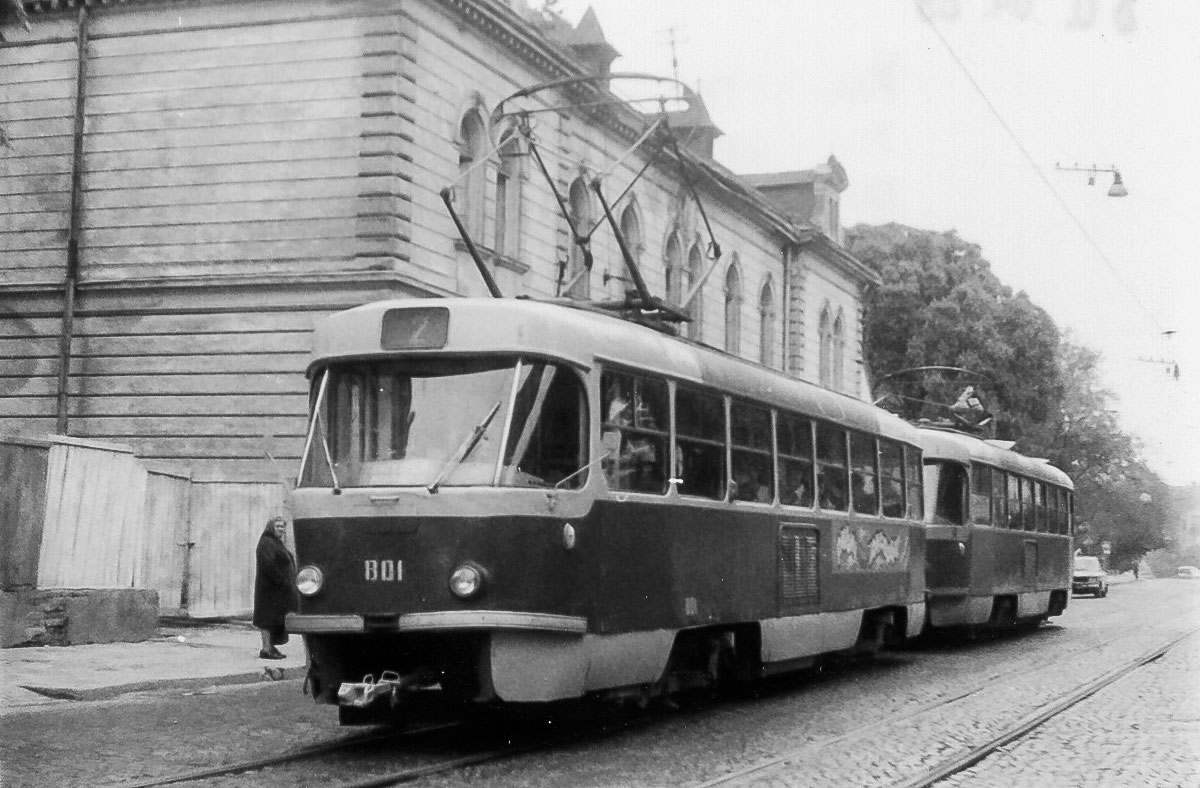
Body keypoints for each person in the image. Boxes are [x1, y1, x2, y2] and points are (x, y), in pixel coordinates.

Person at [254, 515, 298, 660]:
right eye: (278, 526)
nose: (281, 529)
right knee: (266, 619)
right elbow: (269, 564)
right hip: (269, 589)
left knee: (274, 619)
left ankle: (270, 647)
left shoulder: (276, 542)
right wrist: (282, 580)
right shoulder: (267, 542)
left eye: (283, 527)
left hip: (277, 590)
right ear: (271, 527)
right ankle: (266, 649)